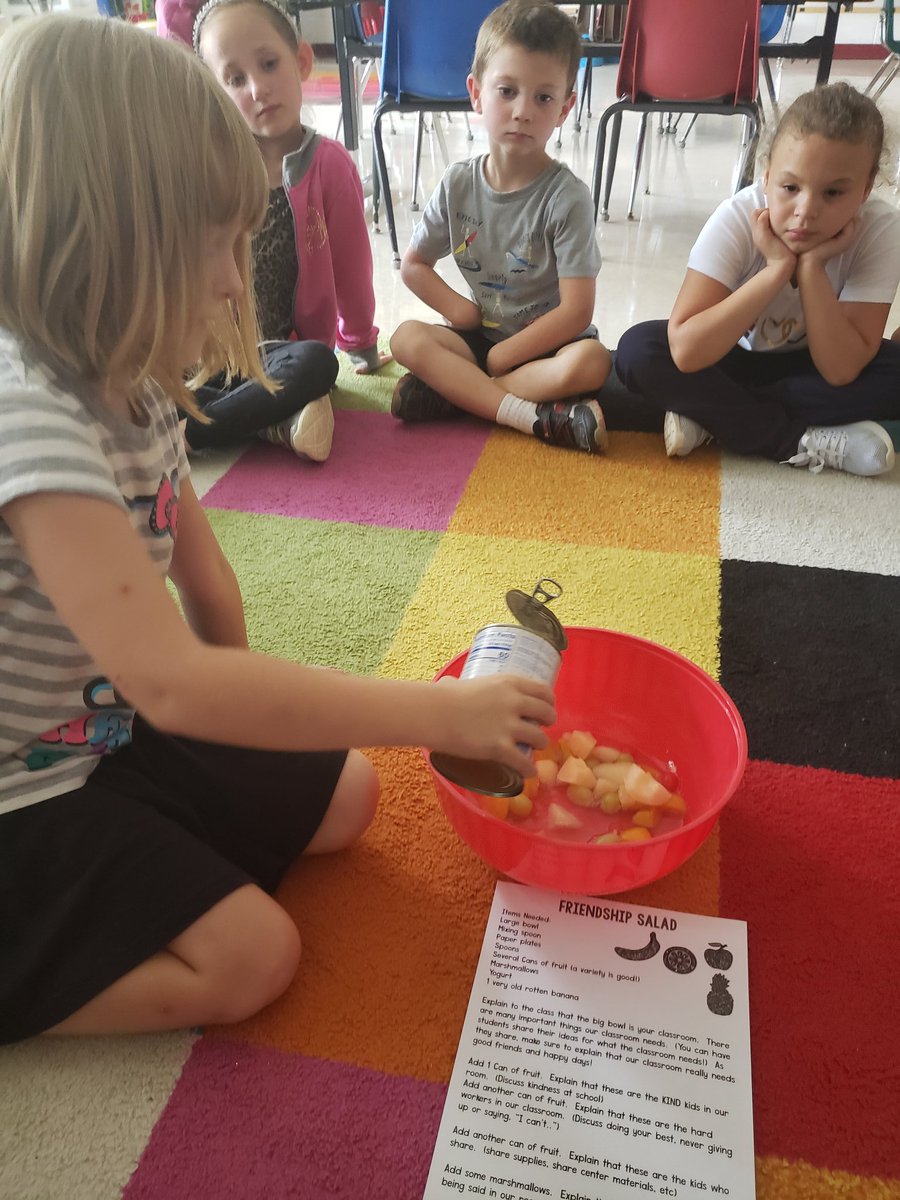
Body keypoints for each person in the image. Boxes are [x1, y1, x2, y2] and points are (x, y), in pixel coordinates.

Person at [0, 15, 556, 1044]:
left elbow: (206, 584)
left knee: (343, 797)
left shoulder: (133, 381)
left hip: (105, 726)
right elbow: (174, 679)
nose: (228, 281)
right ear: (104, 237)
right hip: (18, 792)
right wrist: (440, 716)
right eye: (210, 247)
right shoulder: (26, 418)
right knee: (256, 958)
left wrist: (223, 756)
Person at [615, 82, 900, 477]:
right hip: (729, 358)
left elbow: (841, 369)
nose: (806, 211)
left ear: (866, 191)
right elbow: (687, 351)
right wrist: (776, 270)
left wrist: (812, 268)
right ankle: (798, 440)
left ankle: (712, 416)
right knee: (638, 351)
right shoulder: (738, 217)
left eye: (833, 193)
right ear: (766, 179)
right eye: (790, 188)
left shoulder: (881, 230)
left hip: (814, 371)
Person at [389, 0, 612, 456]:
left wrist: (500, 359)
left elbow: (577, 312)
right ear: (476, 93)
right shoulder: (457, 184)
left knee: (592, 363)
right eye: (506, 91)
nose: (523, 111)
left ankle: (462, 394)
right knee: (404, 339)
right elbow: (413, 265)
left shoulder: (567, 197)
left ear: (566, 107)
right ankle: (526, 415)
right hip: (483, 336)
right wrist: (464, 314)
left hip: (547, 346)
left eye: (543, 97)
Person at [185, 0, 391, 461]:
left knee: (318, 366)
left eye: (269, 64)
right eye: (235, 79)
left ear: (300, 61)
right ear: (215, 92)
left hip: (279, 352)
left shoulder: (329, 166)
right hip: (205, 353)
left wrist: (360, 341)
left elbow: (353, 266)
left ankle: (192, 433)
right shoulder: (209, 170)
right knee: (146, 377)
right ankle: (272, 420)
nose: (258, 89)